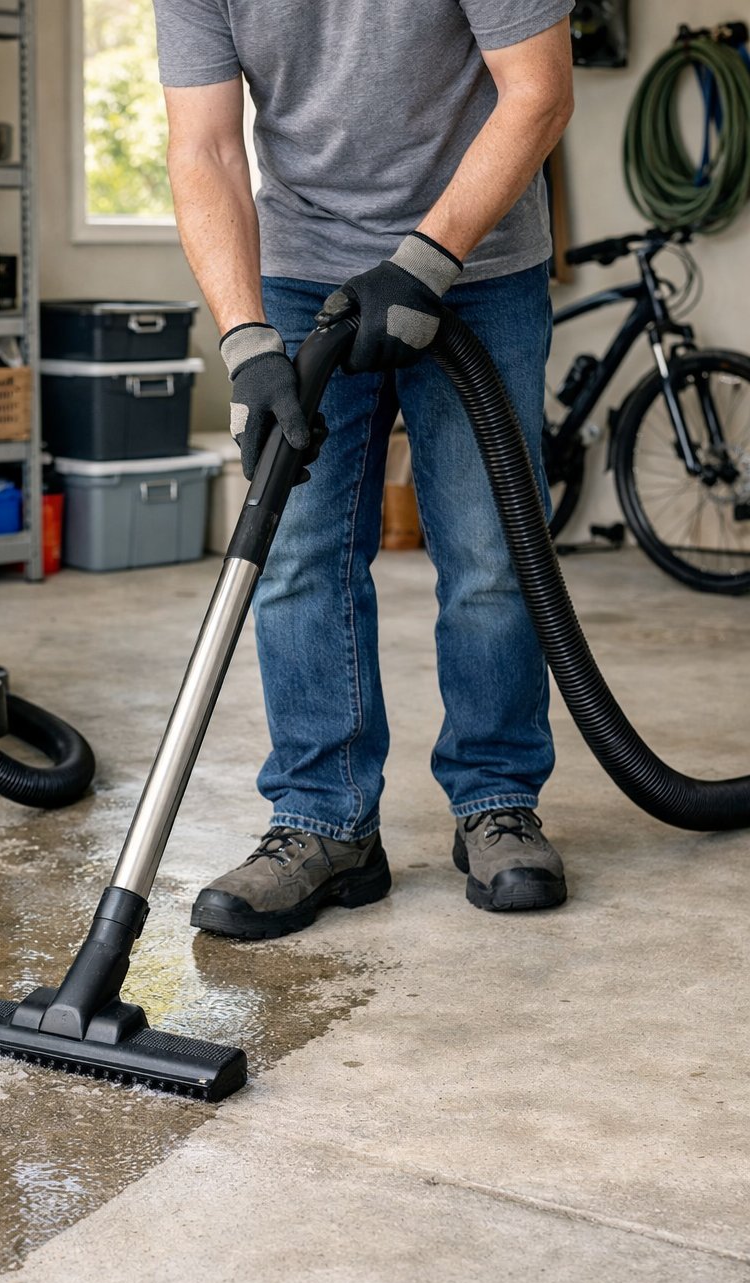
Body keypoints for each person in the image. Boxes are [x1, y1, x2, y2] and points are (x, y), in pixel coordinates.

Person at [151, 0, 576, 939]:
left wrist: (427, 260)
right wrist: (247, 338)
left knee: (490, 551)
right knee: (296, 549)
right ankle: (322, 820)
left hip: (482, 261)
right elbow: (207, 149)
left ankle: (497, 801)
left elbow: (539, 93)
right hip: (301, 272)